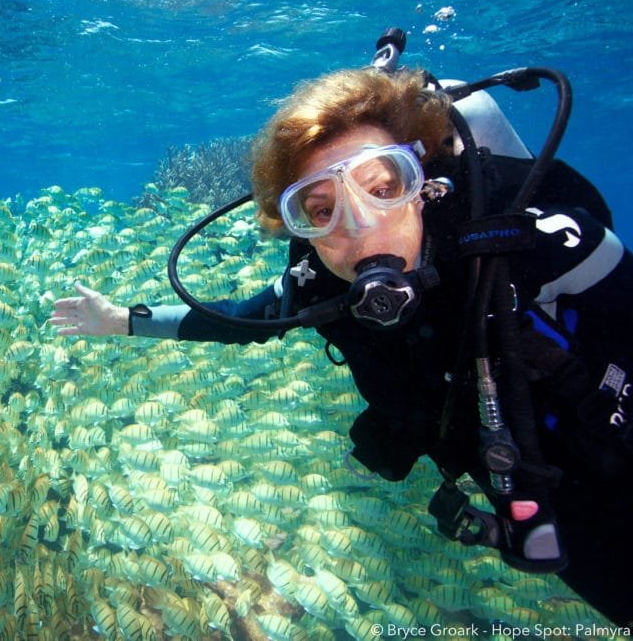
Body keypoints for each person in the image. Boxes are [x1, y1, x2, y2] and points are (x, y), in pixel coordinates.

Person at [50, 65, 633, 624]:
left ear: (423, 184)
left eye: (383, 187)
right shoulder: (319, 283)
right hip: (536, 501)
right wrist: (123, 319)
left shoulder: (533, 247)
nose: (357, 227)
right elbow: (236, 320)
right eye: (321, 211)